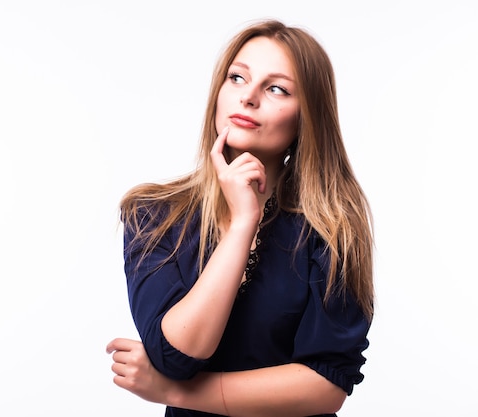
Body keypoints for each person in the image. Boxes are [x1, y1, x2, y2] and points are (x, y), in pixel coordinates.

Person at [106, 18, 374, 417]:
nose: (248, 97)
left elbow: (327, 384)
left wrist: (177, 393)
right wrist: (243, 221)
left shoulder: (333, 225)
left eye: (276, 88)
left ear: (307, 117)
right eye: (236, 78)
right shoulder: (152, 214)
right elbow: (177, 355)